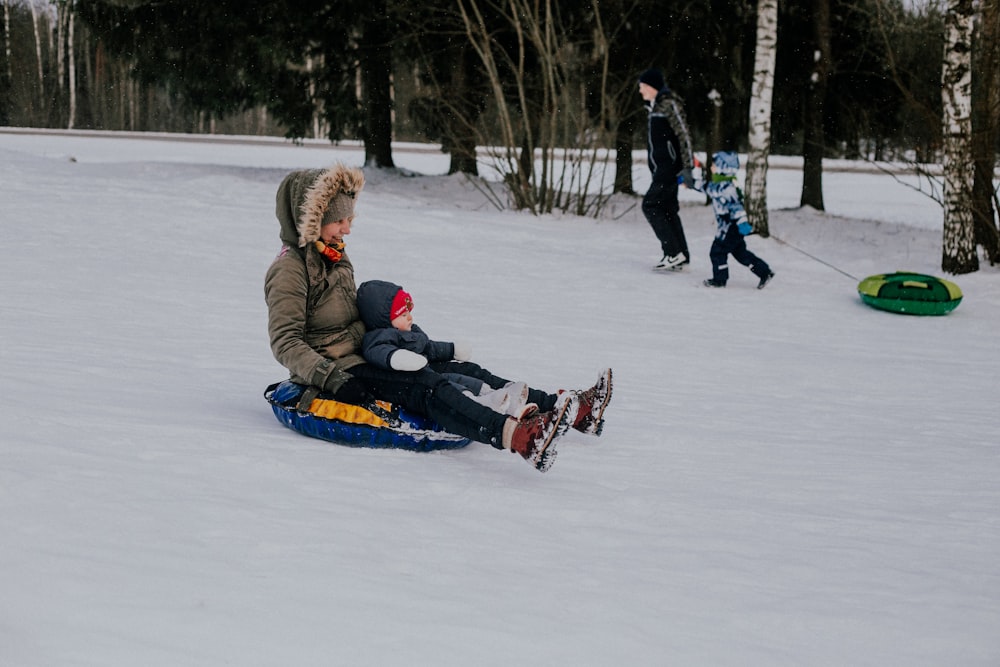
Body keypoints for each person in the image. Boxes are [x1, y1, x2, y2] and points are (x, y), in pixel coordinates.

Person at [264, 163, 613, 472]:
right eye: (339, 221)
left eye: (350, 220)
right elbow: (286, 341)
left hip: (370, 352)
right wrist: (334, 379)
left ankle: (570, 410)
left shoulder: (336, 256)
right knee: (427, 386)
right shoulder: (289, 270)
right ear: (313, 219)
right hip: (340, 369)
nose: (347, 229)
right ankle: (517, 437)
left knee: (465, 371)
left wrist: (395, 331)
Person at [355, 279, 535, 418]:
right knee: (450, 385)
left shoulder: (412, 331)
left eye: (409, 311)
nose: (410, 318)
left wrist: (452, 349)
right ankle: (479, 404)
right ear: (385, 318)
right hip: (414, 382)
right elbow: (377, 352)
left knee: (463, 377)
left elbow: (430, 347)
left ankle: (501, 398)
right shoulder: (379, 336)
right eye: (403, 314)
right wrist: (397, 358)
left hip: (429, 372)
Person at [638, 68, 696, 272]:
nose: (640, 90)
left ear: (653, 87)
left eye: (643, 86)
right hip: (662, 168)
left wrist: (687, 168)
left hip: (668, 168)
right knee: (668, 210)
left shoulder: (668, 105)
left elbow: (684, 136)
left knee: (650, 206)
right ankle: (681, 255)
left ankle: (673, 252)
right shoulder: (654, 107)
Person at [697, 151, 775, 289]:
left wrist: (742, 222)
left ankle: (719, 280)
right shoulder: (719, 184)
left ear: (724, 168)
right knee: (740, 254)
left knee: (717, 251)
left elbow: (737, 207)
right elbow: (707, 188)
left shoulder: (729, 188)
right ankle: (764, 272)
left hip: (730, 227)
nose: (711, 167)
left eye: (714, 165)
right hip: (728, 227)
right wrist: (689, 183)